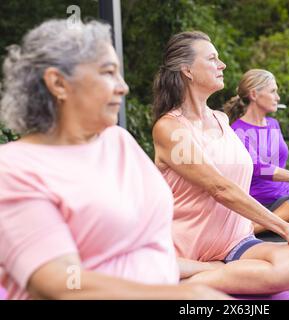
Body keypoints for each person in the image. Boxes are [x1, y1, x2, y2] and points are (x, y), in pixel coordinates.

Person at [0, 19, 229, 300]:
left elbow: (149, 246)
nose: (123, 87)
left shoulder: (119, 143)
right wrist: (188, 297)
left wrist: (202, 271)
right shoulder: (14, 168)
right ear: (58, 83)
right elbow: (59, 282)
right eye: (108, 73)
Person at [152, 31, 289, 295]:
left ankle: (200, 278)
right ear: (187, 71)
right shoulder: (171, 128)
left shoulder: (222, 119)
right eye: (212, 59)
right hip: (184, 249)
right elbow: (219, 188)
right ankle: (197, 273)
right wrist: (285, 227)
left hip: (235, 243)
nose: (222, 65)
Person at [223, 69, 289, 236]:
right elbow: (260, 168)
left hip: (281, 201)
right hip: (256, 204)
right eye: (273, 91)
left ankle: (275, 222)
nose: (278, 97)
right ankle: (260, 227)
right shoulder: (237, 131)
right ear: (254, 94)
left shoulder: (273, 124)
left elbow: (277, 163)